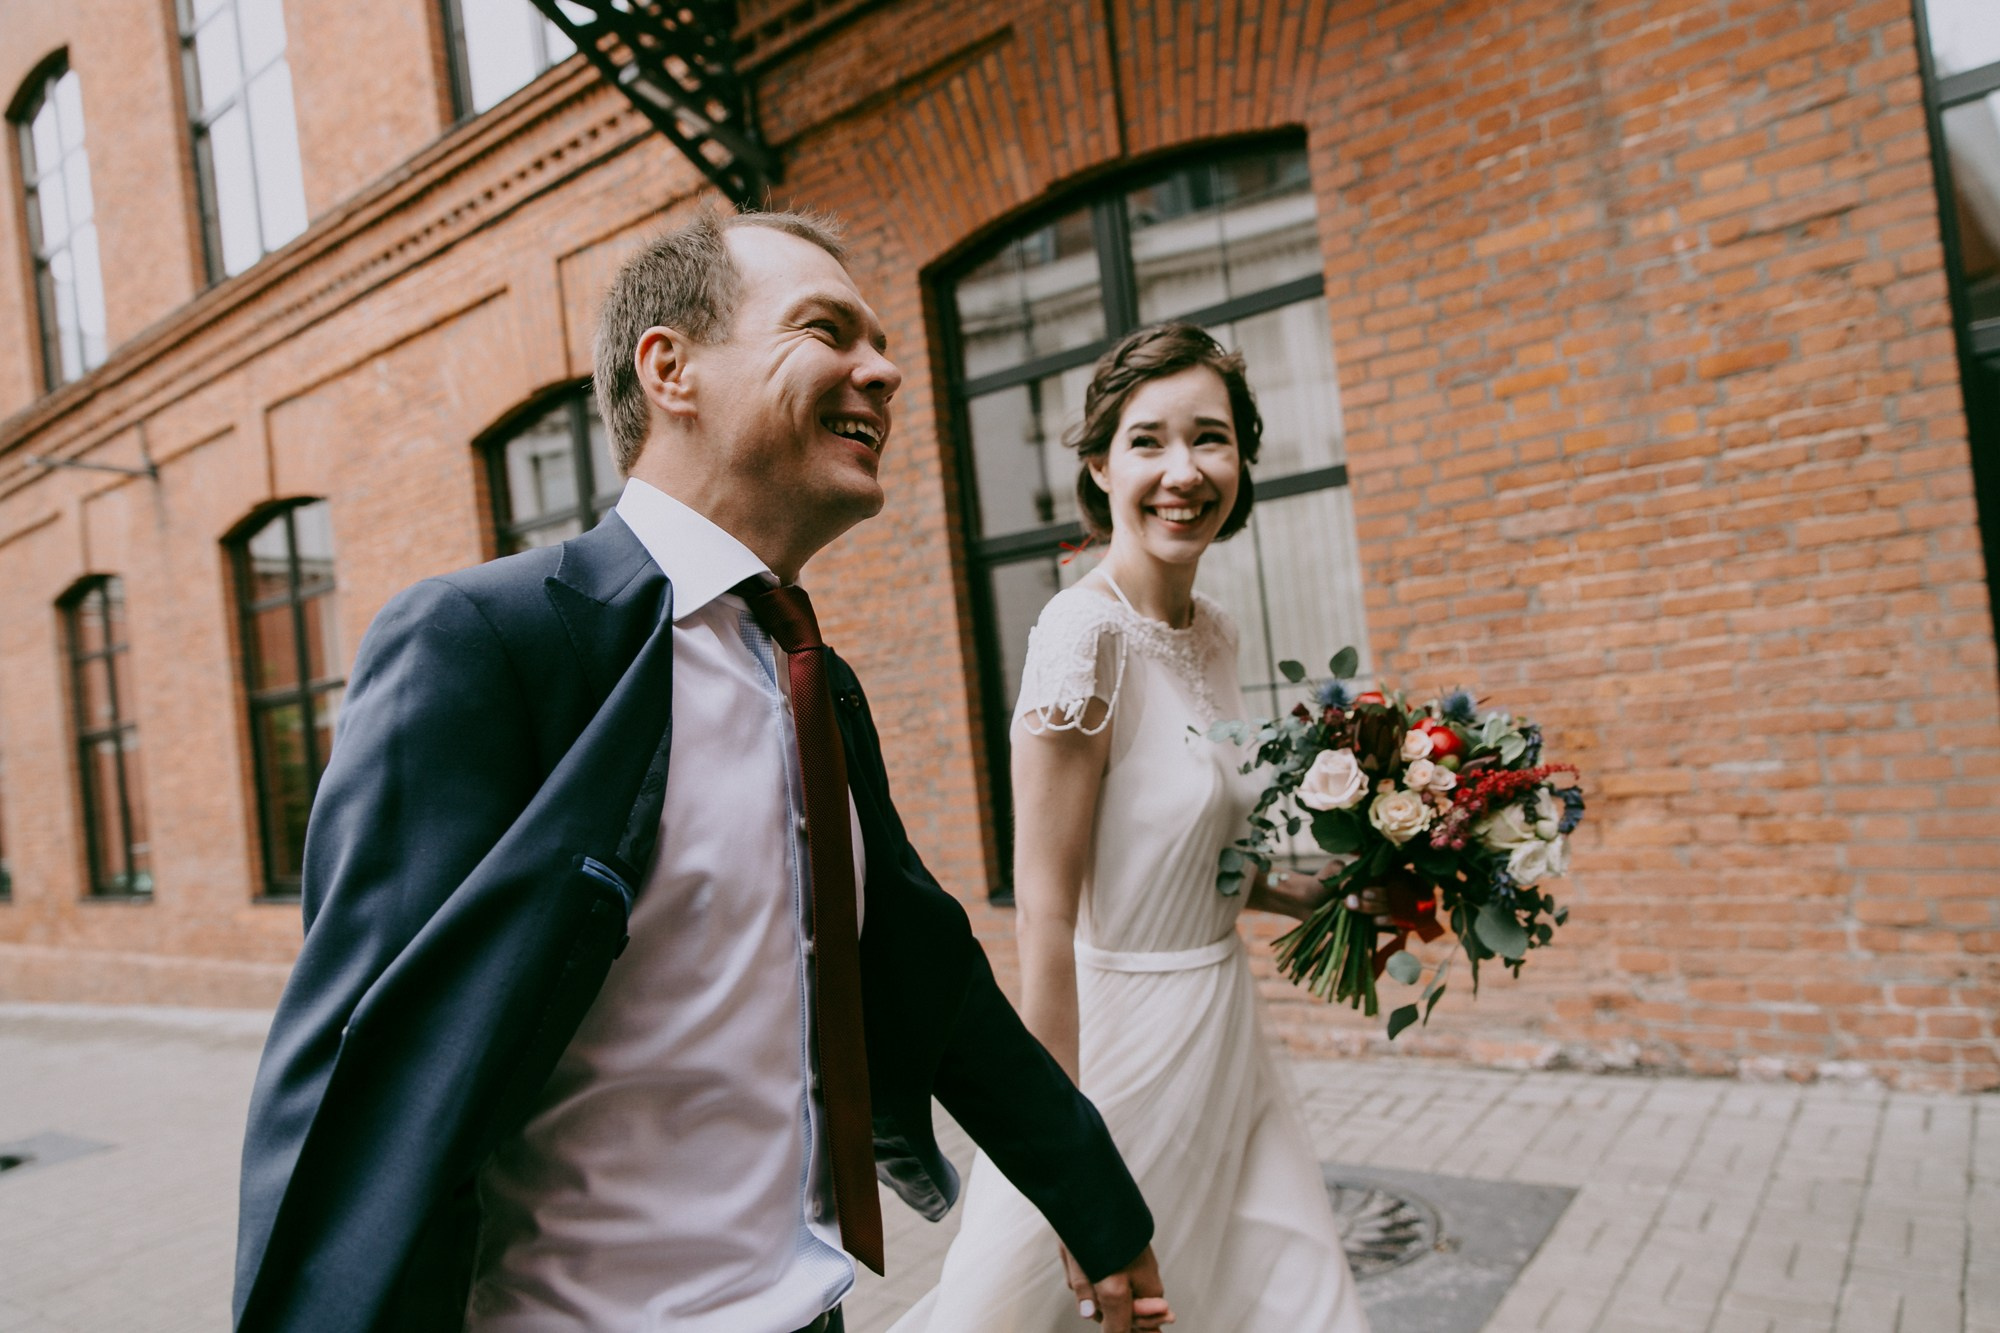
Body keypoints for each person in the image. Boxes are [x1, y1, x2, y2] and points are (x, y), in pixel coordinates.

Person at [231, 210, 1172, 1333]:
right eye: (828, 329)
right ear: (669, 368)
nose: (883, 369)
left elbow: (927, 973)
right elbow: (361, 1070)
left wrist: (1096, 1205)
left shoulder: (811, 677)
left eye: (881, 344)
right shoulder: (487, 643)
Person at [892, 323, 1373, 1331]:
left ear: (1241, 459)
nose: (1182, 470)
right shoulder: (1081, 636)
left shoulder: (1216, 631)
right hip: (1120, 1055)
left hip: (1225, 1032)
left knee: (1298, 1300)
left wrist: (1338, 895)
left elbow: (1200, 858)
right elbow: (1046, 919)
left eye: (1210, 438)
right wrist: (1066, 1164)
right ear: (1097, 465)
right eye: (1148, 441)